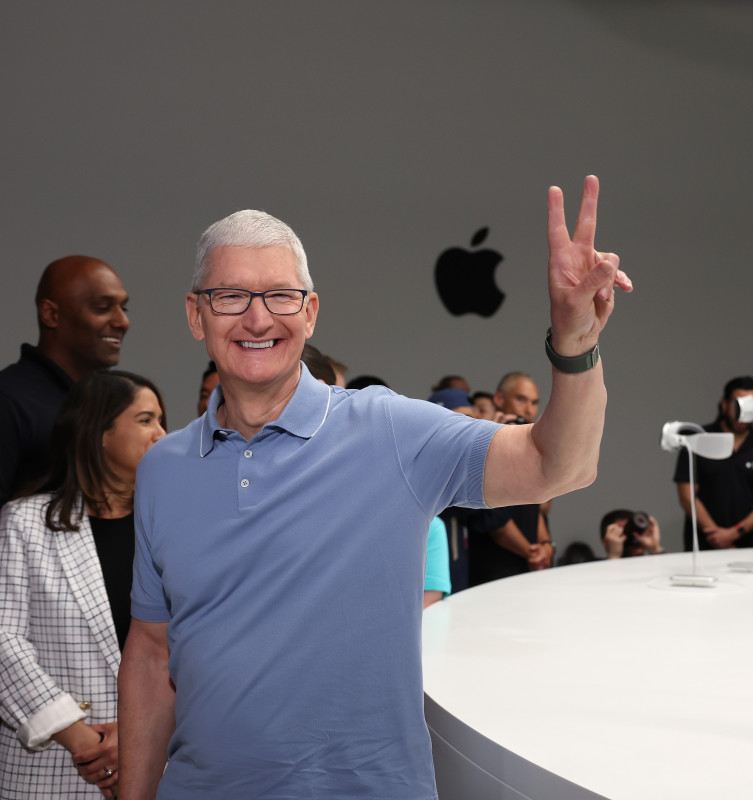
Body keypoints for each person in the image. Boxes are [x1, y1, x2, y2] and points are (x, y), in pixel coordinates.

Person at [119, 175, 631, 799]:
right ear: (196, 315)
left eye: (281, 295)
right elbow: (150, 655)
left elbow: (560, 466)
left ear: (310, 312)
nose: (258, 317)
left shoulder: (388, 431)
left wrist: (576, 343)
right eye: (230, 296)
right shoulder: (163, 468)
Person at [1, 370, 165, 799]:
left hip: (163, 763)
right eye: (145, 420)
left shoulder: (175, 525)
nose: (162, 434)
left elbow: (201, 643)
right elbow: (5, 641)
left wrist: (141, 737)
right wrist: (82, 740)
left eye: (161, 420)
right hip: (56, 767)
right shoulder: (25, 523)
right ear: (99, 433)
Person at [0, 256, 130, 502]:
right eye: (102, 308)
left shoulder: (113, 403)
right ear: (50, 314)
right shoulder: (9, 402)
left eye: (124, 308)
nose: (123, 322)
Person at [673, 376, 753, 551]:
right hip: (703, 545)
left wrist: (734, 534)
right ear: (725, 404)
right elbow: (687, 496)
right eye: (738, 404)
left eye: (751, 405)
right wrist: (718, 537)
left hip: (747, 545)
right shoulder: (698, 438)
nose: (743, 412)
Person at [468, 372, 554, 585]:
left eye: (534, 402)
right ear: (499, 399)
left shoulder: (532, 444)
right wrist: (532, 554)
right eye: (521, 399)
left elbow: (539, 504)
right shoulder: (484, 440)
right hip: (493, 568)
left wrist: (545, 545)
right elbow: (495, 521)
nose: (528, 409)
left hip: (529, 566)